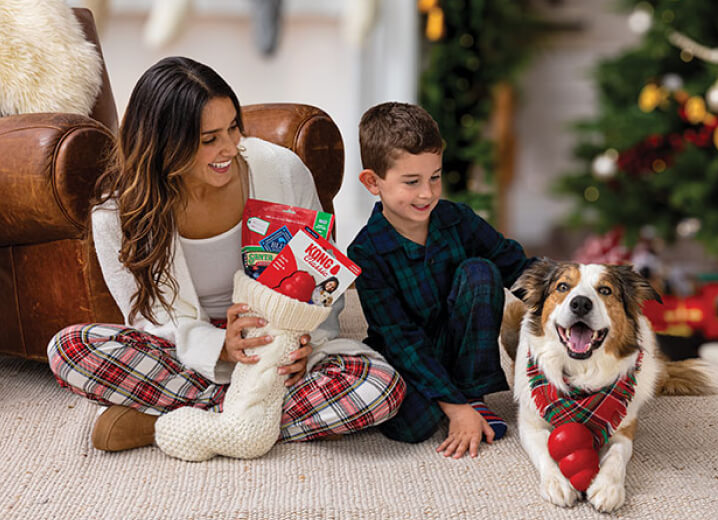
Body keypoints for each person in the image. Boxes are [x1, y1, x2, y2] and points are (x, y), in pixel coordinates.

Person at [47, 57, 405, 452]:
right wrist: (219, 345)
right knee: (69, 348)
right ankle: (244, 417)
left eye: (233, 127)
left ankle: (174, 420)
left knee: (380, 387)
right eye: (209, 139)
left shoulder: (282, 171)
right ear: (164, 143)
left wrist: (304, 344)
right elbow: (146, 317)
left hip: (274, 349)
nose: (230, 148)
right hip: (189, 354)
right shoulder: (117, 214)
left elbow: (323, 284)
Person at [347, 102, 536, 459]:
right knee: (412, 427)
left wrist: (567, 288)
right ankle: (456, 399)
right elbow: (399, 339)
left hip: (460, 342)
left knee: (481, 271)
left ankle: (471, 393)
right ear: (373, 182)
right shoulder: (366, 252)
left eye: (435, 176)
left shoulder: (457, 219)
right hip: (406, 350)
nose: (427, 193)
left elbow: (515, 264)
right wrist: (451, 406)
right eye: (411, 182)